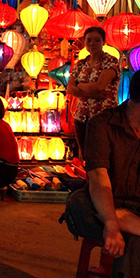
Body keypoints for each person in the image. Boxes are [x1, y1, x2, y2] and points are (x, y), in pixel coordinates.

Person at [85, 70, 140, 271]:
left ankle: (128, 221)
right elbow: (98, 176)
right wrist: (111, 222)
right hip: (105, 203)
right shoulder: (102, 124)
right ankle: (124, 220)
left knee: (135, 243)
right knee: (80, 206)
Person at [67, 26, 119, 159]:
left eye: (97, 40)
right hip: (81, 116)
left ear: (103, 42)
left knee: (101, 156)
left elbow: (100, 87)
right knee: (85, 156)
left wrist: (79, 85)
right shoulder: (80, 64)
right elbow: (70, 89)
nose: (92, 44)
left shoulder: (110, 61)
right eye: (89, 40)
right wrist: (92, 92)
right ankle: (87, 179)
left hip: (103, 116)